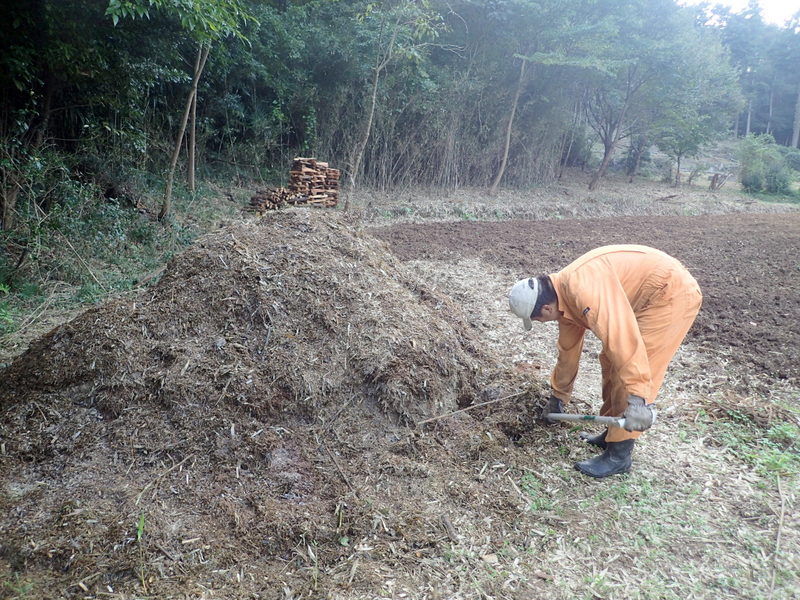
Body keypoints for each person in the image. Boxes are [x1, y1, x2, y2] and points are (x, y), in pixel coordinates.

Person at [508, 245, 702, 478]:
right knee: (609, 361)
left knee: (628, 365)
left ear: (547, 308)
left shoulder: (582, 289)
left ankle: (619, 455)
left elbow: (621, 340)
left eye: (537, 319)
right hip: (645, 296)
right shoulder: (562, 298)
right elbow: (568, 352)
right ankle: (612, 433)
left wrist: (638, 399)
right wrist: (558, 397)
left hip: (669, 293)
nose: (540, 322)